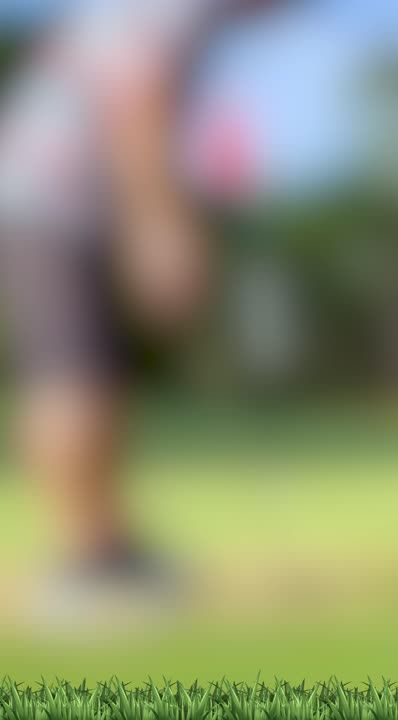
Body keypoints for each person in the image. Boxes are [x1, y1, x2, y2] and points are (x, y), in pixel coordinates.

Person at [0, 0, 274, 612]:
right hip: (52, 194)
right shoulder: (182, 9)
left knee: (94, 371)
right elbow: (135, 99)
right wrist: (159, 228)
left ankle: (107, 549)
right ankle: (85, 565)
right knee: (72, 368)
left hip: (61, 193)